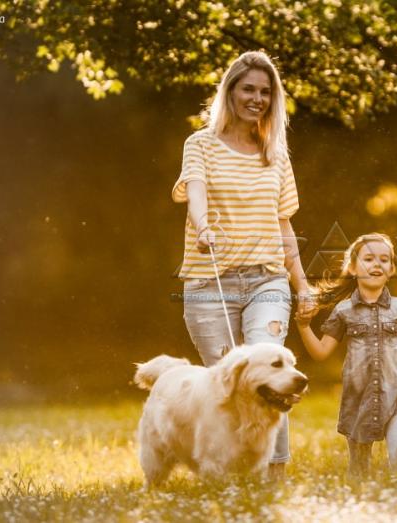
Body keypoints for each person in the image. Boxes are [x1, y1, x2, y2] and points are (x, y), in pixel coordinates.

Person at [170, 50, 313, 480]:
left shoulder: (276, 154)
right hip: (210, 280)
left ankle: (275, 476)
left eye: (265, 92)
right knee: (228, 381)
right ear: (229, 91)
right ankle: (228, 470)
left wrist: (302, 283)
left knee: (272, 371)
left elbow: (284, 222)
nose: (256, 98)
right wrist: (202, 225)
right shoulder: (201, 144)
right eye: (248, 89)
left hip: (267, 279)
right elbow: (195, 190)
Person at [295, 233, 397, 477]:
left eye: (384, 260)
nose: (377, 264)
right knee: (358, 471)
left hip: (396, 398)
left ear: (391, 269)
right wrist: (304, 327)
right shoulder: (343, 311)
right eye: (369, 259)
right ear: (353, 268)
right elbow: (321, 352)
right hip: (357, 400)